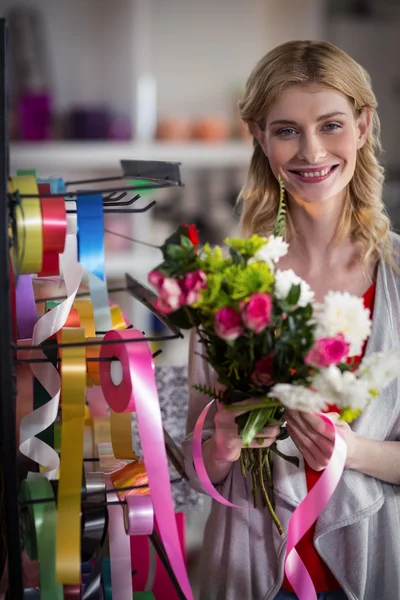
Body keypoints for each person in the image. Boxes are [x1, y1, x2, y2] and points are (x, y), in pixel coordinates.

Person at [182, 40, 400, 600]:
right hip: (251, 573)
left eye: (330, 125)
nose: (310, 151)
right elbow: (195, 462)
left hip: (377, 567)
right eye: (286, 130)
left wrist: (352, 452)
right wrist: (220, 448)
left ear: (362, 124)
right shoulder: (231, 280)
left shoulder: (397, 273)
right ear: (259, 135)